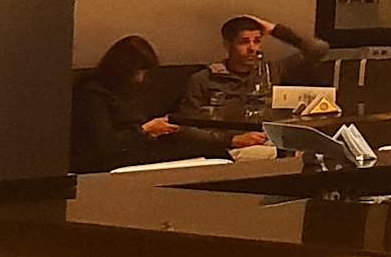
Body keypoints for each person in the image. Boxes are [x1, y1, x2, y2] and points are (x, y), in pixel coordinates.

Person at [73, 35, 262, 171]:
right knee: (201, 152)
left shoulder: (126, 92)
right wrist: (145, 130)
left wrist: (158, 127)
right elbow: (104, 145)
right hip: (112, 158)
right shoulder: (92, 94)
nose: (141, 79)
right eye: (138, 72)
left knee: (210, 150)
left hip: (139, 146)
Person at [178, 14, 329, 126]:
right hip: (231, 145)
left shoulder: (271, 70)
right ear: (227, 45)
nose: (252, 48)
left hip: (269, 139)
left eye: (257, 41)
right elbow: (187, 126)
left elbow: (318, 49)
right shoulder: (205, 79)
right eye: (244, 42)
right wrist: (232, 140)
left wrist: (273, 29)